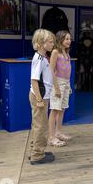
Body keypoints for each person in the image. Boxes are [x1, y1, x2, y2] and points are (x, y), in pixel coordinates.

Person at [29, 29, 56, 165]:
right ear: (40, 43)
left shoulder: (42, 57)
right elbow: (34, 81)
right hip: (40, 97)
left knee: (37, 124)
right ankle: (37, 155)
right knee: (41, 126)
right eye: (50, 42)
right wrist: (39, 100)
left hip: (41, 96)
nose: (52, 44)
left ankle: (35, 150)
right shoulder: (39, 59)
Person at [48, 30, 73, 147]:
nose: (69, 41)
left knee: (62, 109)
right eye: (66, 39)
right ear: (60, 40)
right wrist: (56, 88)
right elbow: (51, 70)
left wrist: (69, 85)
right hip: (58, 84)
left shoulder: (66, 52)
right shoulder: (55, 52)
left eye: (70, 39)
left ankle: (58, 133)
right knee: (54, 110)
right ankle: (51, 137)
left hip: (66, 84)